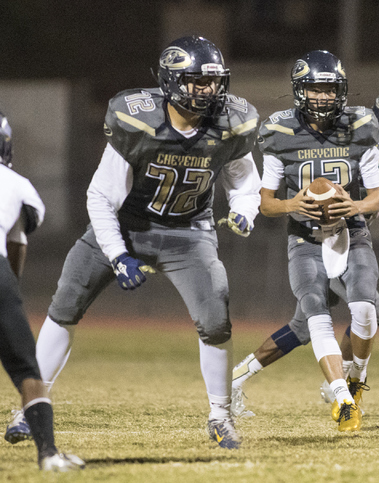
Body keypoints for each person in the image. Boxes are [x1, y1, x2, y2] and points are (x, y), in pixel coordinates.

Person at [3, 36, 261, 450]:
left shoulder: (230, 124)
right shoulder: (138, 121)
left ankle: (220, 415)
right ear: (172, 81)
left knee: (215, 319)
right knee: (66, 304)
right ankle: (30, 409)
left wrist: (246, 210)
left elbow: (245, 182)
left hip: (188, 232)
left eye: (213, 82)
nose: (208, 91)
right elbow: (100, 197)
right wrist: (119, 255)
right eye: (197, 82)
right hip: (124, 224)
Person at [230, 85, 379, 418]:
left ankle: (239, 378)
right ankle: (340, 384)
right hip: (317, 238)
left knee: (305, 325)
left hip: (348, 238)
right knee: (356, 311)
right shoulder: (360, 143)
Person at [256, 50, 379, 432]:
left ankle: (356, 378)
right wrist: (292, 203)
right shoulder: (280, 133)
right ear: (300, 91)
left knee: (364, 308)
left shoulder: (360, 127)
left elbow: (377, 197)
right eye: (316, 89)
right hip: (305, 237)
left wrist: (353, 203)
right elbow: (265, 204)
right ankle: (343, 400)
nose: (324, 97)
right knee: (315, 309)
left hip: (351, 230)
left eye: (330, 89)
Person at [0, 112, 85, 471]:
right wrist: (9, 298)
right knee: (29, 373)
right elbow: (18, 241)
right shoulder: (16, 183)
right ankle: (48, 454)